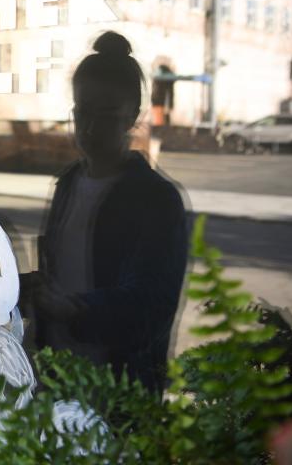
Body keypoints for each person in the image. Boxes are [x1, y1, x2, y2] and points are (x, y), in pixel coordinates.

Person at [22, 31, 188, 394]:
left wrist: (75, 309)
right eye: (83, 112)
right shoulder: (68, 185)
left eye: (108, 115)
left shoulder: (156, 200)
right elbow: (63, 272)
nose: (92, 128)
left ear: (133, 116)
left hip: (119, 392)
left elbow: (151, 304)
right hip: (58, 381)